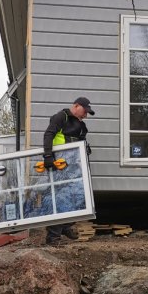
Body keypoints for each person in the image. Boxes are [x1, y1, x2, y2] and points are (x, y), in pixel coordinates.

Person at [42, 96, 94, 246]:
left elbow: (81, 142)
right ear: (76, 106)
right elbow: (49, 134)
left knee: (77, 196)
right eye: (85, 111)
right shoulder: (61, 117)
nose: (85, 115)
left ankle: (66, 226)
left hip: (74, 165)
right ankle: (53, 237)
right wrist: (48, 156)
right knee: (59, 198)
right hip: (59, 164)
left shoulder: (81, 126)